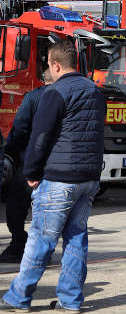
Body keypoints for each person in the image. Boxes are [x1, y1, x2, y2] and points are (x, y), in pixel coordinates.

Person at [1, 38, 105, 314]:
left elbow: (40, 136)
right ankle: (70, 301)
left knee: (41, 239)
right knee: (76, 239)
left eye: (49, 65)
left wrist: (32, 172)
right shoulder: (95, 91)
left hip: (59, 177)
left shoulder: (54, 92)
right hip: (88, 177)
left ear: (56, 65)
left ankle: (18, 298)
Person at [0, 70, 52, 263]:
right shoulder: (69, 96)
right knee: (48, 210)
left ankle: (18, 245)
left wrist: (11, 151)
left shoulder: (34, 97)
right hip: (59, 164)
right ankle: (43, 249)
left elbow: (20, 128)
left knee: (15, 203)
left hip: (30, 161)